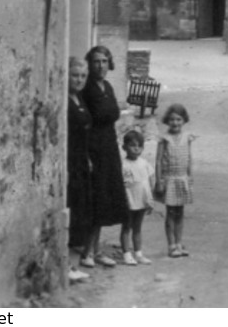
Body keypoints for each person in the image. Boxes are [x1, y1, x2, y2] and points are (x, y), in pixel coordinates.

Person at [80, 44, 129, 268]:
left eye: (104, 61)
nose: (100, 66)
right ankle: (87, 252)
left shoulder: (107, 86)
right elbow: (85, 123)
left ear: (110, 64)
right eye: (96, 61)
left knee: (106, 199)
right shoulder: (87, 88)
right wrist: (87, 155)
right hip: (94, 148)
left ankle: (97, 250)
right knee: (95, 200)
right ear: (89, 64)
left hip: (109, 147)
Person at [153, 103, 194, 258]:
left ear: (184, 120)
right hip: (169, 179)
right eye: (171, 120)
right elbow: (158, 161)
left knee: (180, 212)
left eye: (178, 119)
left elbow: (189, 158)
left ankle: (179, 242)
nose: (175, 123)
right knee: (170, 213)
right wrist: (159, 181)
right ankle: (171, 245)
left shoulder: (187, 138)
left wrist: (190, 177)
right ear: (167, 121)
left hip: (182, 179)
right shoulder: (164, 139)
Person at [66, 57, 92, 283]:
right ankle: (67, 265)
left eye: (83, 76)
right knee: (73, 211)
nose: (79, 80)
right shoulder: (65, 101)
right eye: (75, 75)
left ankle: (74, 265)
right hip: (70, 163)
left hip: (82, 163)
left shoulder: (79, 98)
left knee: (82, 211)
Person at [120, 128, 154, 265]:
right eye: (133, 145)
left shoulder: (144, 163)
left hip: (141, 200)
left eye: (140, 146)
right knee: (126, 227)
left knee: (138, 227)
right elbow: (120, 184)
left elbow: (149, 180)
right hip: (129, 200)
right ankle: (126, 254)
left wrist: (149, 199)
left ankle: (138, 253)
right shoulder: (123, 165)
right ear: (124, 147)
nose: (136, 149)